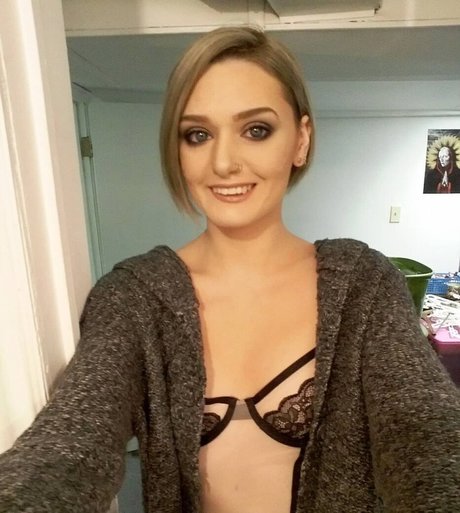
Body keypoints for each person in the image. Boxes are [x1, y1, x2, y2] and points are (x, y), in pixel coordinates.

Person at [0, 26, 459, 513]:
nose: (223, 162)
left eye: (256, 130)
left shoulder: (363, 287)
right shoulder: (134, 298)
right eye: (198, 135)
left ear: (301, 140)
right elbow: (70, 444)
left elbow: (424, 429)